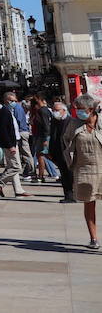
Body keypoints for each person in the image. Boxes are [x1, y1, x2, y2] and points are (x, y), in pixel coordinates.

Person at [66, 93, 101, 249]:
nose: (79, 112)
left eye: (82, 109)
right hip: (84, 169)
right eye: (77, 109)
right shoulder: (74, 124)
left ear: (92, 109)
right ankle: (93, 239)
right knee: (89, 203)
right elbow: (66, 141)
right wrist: (70, 160)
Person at [50, 98, 80, 204]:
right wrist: (51, 152)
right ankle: (68, 195)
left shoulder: (71, 121)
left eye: (57, 110)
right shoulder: (54, 121)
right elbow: (53, 137)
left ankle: (74, 195)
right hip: (58, 152)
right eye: (54, 110)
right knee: (64, 175)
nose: (55, 112)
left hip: (69, 152)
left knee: (71, 174)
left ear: (64, 111)